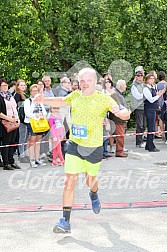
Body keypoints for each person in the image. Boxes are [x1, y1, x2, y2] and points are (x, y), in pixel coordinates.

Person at [35, 67, 130, 233]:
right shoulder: (76, 95)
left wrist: (122, 112)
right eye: (82, 81)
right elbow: (60, 101)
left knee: (90, 180)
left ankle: (94, 194)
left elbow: (125, 114)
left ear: (95, 81)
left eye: (88, 81)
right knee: (69, 182)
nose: (85, 84)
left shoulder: (104, 99)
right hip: (74, 145)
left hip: (93, 148)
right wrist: (43, 99)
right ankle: (65, 221)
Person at [0, 78, 21, 170]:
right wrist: (8, 119)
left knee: (12, 142)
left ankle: (11, 161)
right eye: (3, 85)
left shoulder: (10, 96)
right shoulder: (0, 97)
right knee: (6, 143)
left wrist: (17, 119)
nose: (5, 87)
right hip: (4, 123)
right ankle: (6, 163)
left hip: (13, 121)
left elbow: (14, 108)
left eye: (6, 85)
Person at [24, 84, 47, 168]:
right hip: (32, 123)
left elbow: (44, 112)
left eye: (36, 91)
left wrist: (41, 115)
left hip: (40, 123)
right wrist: (35, 115)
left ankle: (37, 158)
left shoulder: (40, 101)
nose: (35, 93)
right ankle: (32, 159)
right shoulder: (28, 101)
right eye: (33, 91)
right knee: (32, 141)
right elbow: (27, 113)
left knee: (38, 141)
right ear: (30, 92)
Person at [143, 74, 164, 152]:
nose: (152, 80)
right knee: (151, 128)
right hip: (149, 109)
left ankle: (148, 144)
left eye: (153, 79)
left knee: (151, 127)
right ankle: (150, 146)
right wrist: (158, 95)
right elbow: (151, 99)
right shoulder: (145, 89)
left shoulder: (152, 88)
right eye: (150, 79)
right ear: (147, 80)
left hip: (153, 109)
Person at [110, 80, 129, 157]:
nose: (126, 86)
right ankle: (119, 151)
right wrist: (125, 112)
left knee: (121, 135)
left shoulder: (118, 94)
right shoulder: (115, 94)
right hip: (118, 118)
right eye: (124, 85)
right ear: (120, 85)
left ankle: (120, 150)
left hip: (121, 117)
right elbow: (118, 106)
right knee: (120, 136)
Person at [14, 79, 29, 163]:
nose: (23, 87)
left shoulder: (25, 95)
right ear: (18, 86)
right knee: (22, 137)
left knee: (26, 137)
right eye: (21, 85)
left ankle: (25, 153)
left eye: (24, 85)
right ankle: (21, 155)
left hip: (26, 119)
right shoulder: (16, 95)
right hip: (21, 119)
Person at [131, 69, 146, 148]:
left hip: (144, 107)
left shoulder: (144, 84)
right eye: (138, 76)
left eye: (141, 75)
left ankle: (141, 139)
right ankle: (138, 142)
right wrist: (145, 94)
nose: (139, 77)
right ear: (136, 77)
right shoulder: (134, 85)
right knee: (139, 125)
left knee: (144, 125)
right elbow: (137, 96)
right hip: (138, 107)